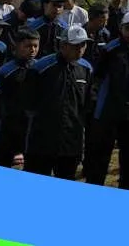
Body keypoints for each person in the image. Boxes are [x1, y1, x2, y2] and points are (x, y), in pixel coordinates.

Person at [84, 11, 129, 189]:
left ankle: (127, 185)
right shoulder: (109, 49)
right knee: (102, 153)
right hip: (110, 110)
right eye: (128, 28)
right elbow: (97, 78)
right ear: (121, 28)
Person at [23, 24, 93, 179]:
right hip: (42, 142)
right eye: (75, 45)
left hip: (71, 142)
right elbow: (28, 104)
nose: (80, 49)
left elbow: (87, 104)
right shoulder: (41, 68)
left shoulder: (86, 69)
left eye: (83, 45)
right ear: (63, 45)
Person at [0, 27, 40, 168]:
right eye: (28, 46)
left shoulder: (40, 68)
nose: (32, 50)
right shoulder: (5, 72)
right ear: (17, 46)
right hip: (9, 124)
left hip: (31, 124)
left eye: (35, 46)